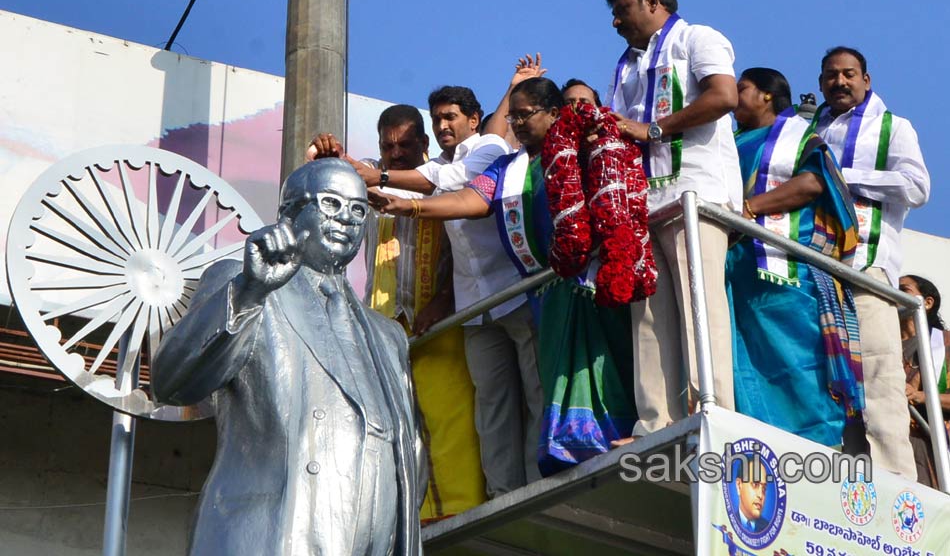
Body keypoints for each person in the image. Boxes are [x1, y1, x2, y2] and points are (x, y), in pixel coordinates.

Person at [151, 159, 424, 556]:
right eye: (330, 204)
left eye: (358, 209)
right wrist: (249, 291)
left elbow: (409, 450)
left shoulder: (388, 336)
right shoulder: (246, 282)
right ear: (288, 215)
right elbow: (172, 381)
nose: (346, 218)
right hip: (278, 530)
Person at [376, 76, 639, 476]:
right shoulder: (507, 166)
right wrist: (405, 207)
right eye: (512, 116)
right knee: (514, 399)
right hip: (545, 294)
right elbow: (471, 200)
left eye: (524, 114)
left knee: (573, 381)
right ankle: (528, 482)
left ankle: (592, 458)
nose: (515, 123)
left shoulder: (585, 151)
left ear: (554, 113)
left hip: (590, 287)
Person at [604, 0, 742, 442]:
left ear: (652, 2)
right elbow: (621, 129)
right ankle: (652, 423)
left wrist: (655, 129)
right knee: (647, 315)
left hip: (694, 193)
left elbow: (724, 96)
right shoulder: (625, 65)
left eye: (622, 10)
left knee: (699, 305)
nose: (616, 22)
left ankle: (711, 413)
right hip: (644, 203)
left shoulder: (697, 37)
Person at [361, 105, 485, 519]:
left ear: (424, 145)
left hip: (437, 321)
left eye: (405, 145)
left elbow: (463, 251)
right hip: (383, 327)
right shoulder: (365, 183)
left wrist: (444, 299)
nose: (395, 154)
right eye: (387, 146)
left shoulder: (443, 180)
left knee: (450, 416)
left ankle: (460, 510)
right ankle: (409, 516)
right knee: (393, 424)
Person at [727, 68, 863, 447]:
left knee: (795, 358)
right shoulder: (729, 140)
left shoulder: (800, 135)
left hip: (784, 271)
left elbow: (812, 182)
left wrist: (749, 208)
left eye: (742, 89)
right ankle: (759, 439)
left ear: (768, 95)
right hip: (738, 273)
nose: (734, 97)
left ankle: (818, 444)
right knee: (746, 359)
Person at [814, 46, 931, 478]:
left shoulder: (893, 127)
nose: (839, 82)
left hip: (867, 266)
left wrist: (842, 177)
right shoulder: (810, 128)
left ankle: (896, 481)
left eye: (848, 74)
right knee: (823, 372)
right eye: (830, 75)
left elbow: (917, 188)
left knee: (880, 375)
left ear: (867, 79)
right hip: (814, 268)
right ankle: (837, 472)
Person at [900, 274, 949, 487]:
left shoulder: (944, 344)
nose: (894, 294)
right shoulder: (879, 342)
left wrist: (920, 395)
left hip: (925, 447)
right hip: (877, 442)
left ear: (927, 303)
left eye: (904, 289)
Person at [735, 462, 769, 533]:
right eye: (755, 485)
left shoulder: (767, 528)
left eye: (764, 489)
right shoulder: (727, 520)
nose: (760, 495)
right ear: (739, 485)